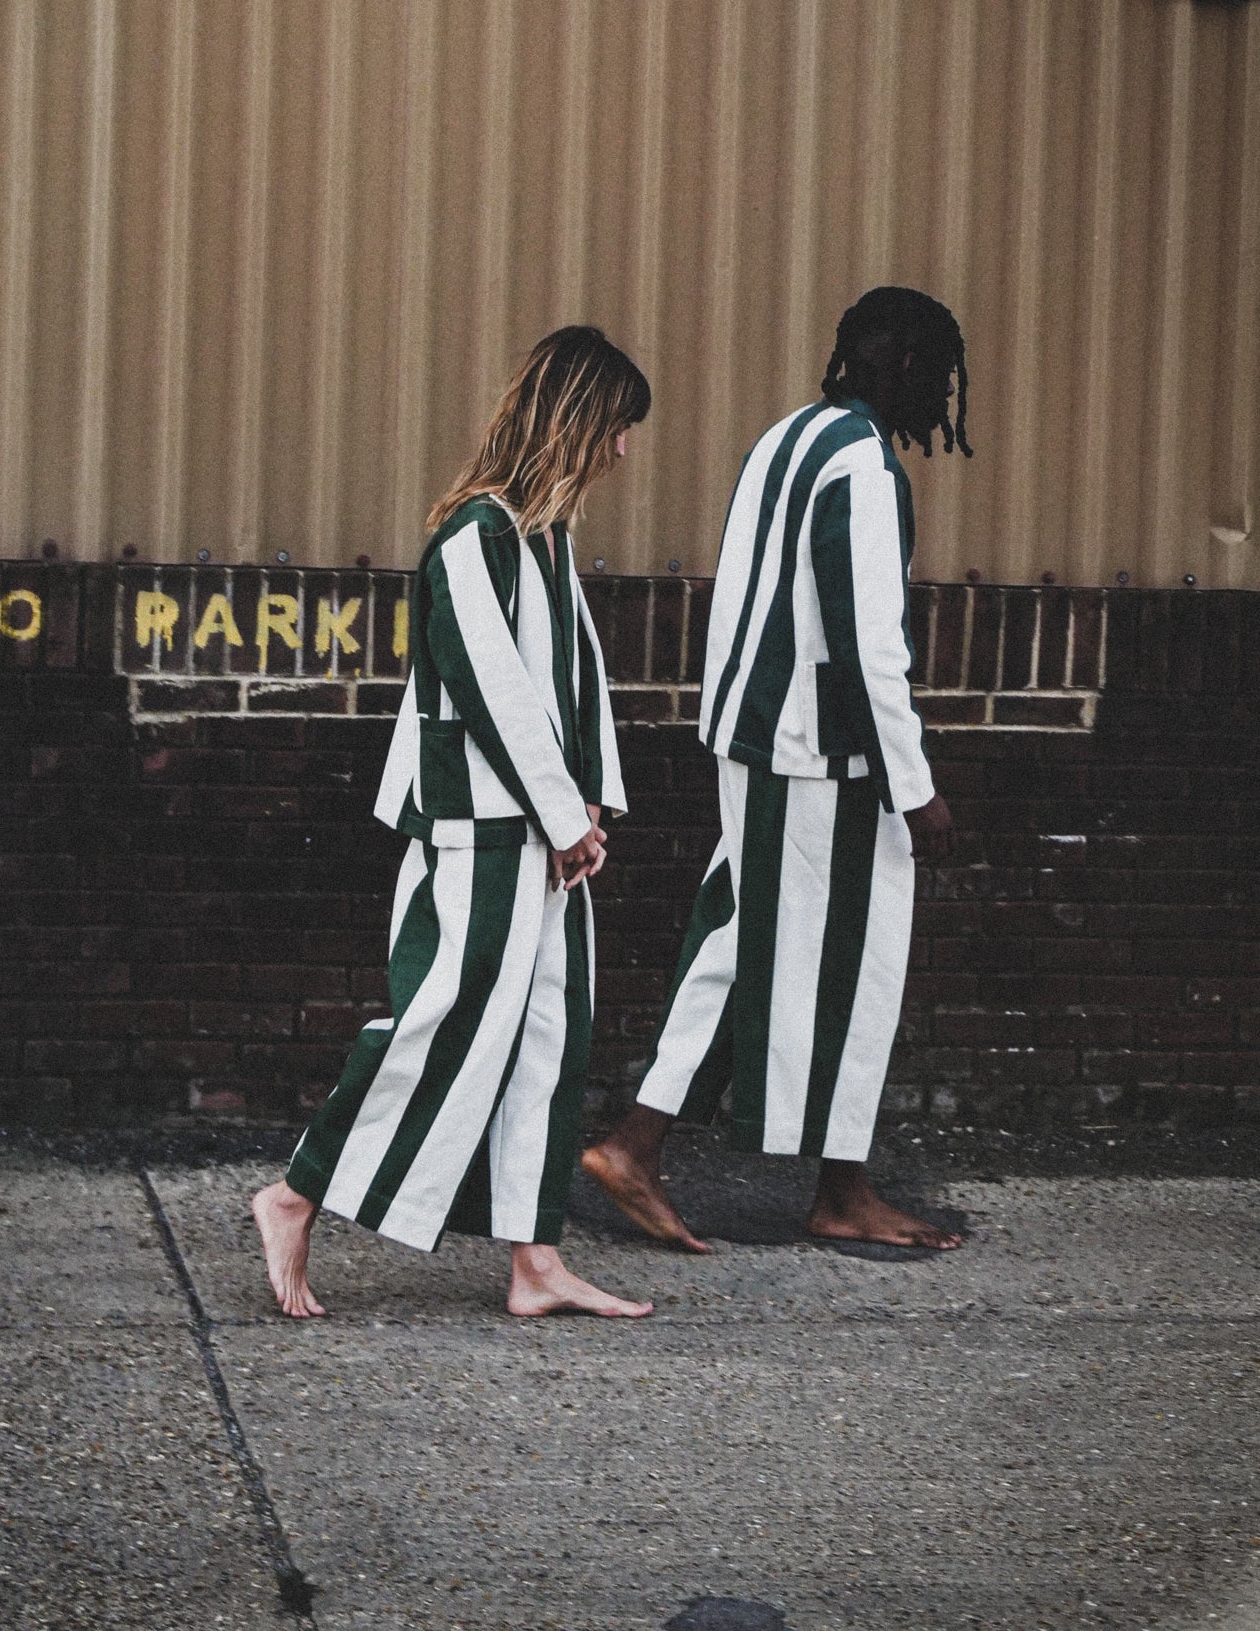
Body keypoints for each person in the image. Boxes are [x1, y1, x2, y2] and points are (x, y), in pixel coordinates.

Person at [254, 325, 655, 1319]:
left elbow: (571, 685)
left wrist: (589, 803)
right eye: (615, 427)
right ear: (575, 419)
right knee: (440, 1016)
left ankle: (535, 1258)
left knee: (550, 1036)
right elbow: (491, 689)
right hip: (482, 829)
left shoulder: (541, 541)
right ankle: (296, 1190)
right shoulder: (474, 536)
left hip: (545, 834)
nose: (622, 450)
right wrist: (566, 814)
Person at [583, 286, 971, 1253]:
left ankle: (650, 1145)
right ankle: (825, 1189)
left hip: (755, 739)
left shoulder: (787, 437)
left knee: (741, 940)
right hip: (821, 757)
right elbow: (869, 643)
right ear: (905, 369)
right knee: (858, 960)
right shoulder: (866, 470)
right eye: (935, 374)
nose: (939, 398)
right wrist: (913, 786)